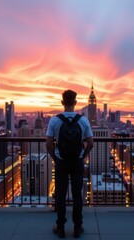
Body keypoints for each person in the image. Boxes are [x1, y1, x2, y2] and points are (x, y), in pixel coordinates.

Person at [46, 89, 94, 238]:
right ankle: (77, 228)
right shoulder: (83, 120)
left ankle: (60, 227)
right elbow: (91, 143)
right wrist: (82, 157)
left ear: (62, 102)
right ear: (75, 102)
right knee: (77, 195)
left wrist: (56, 158)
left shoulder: (54, 120)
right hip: (77, 162)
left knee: (60, 195)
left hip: (61, 162)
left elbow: (48, 144)